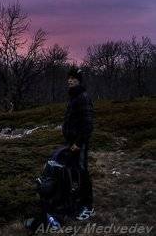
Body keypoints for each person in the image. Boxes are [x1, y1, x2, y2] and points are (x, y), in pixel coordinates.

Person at [63, 68, 95, 221]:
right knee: (74, 172)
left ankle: (88, 207)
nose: (69, 80)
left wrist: (78, 143)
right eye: (68, 78)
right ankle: (78, 201)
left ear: (79, 81)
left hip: (78, 144)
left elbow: (88, 124)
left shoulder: (83, 97)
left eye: (73, 78)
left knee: (82, 172)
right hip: (71, 142)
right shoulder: (73, 97)